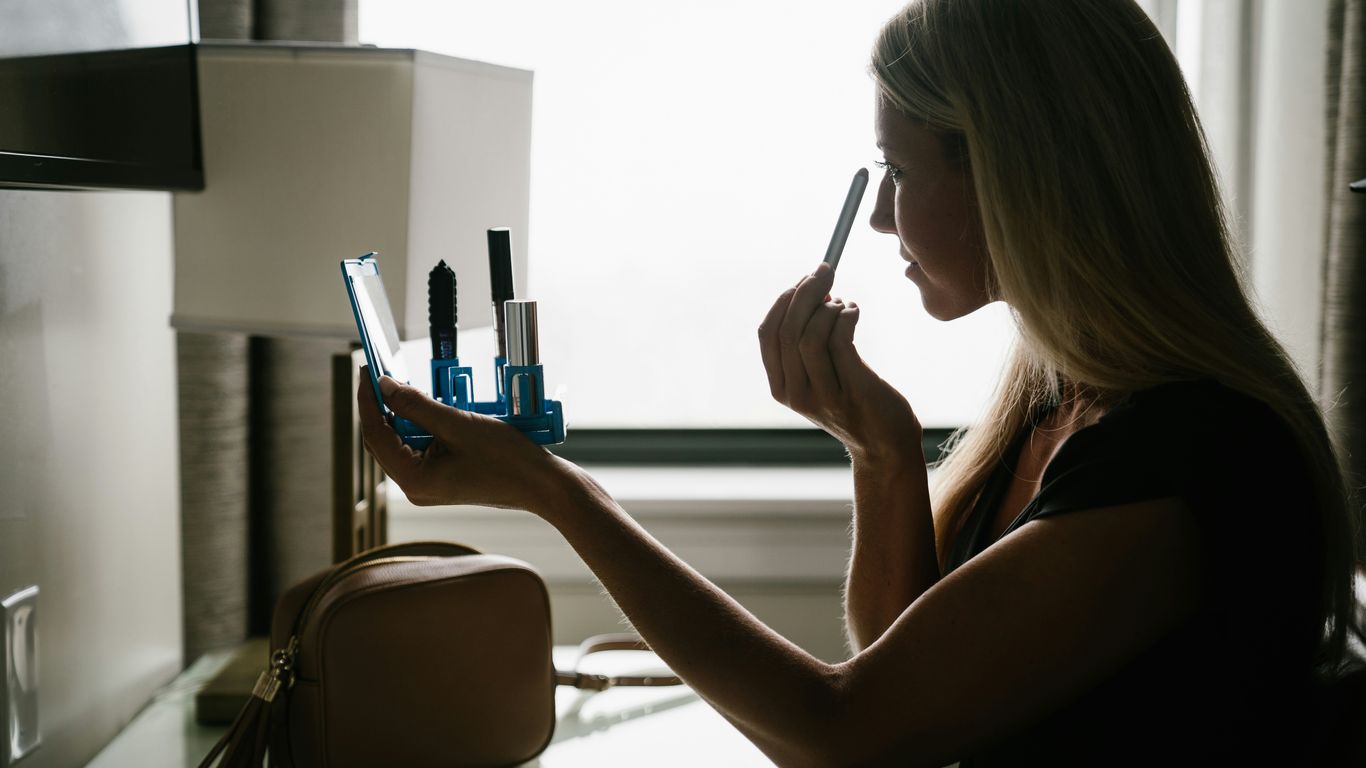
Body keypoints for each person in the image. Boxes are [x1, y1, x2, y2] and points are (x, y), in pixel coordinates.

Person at [359, 0, 1366, 763]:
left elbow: (850, 736)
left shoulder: (1190, 454)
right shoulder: (1065, 402)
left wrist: (557, 492)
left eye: (898, 170)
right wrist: (881, 454)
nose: (882, 219)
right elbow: (922, 685)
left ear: (1013, 175)